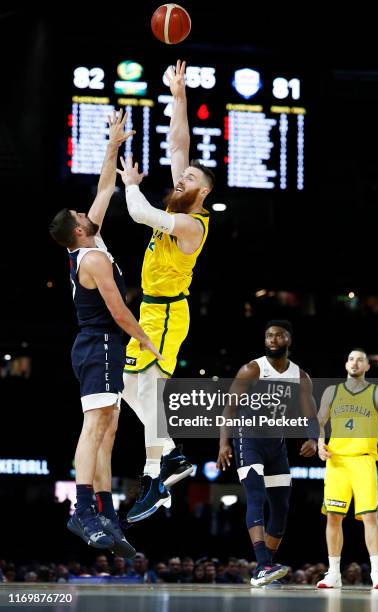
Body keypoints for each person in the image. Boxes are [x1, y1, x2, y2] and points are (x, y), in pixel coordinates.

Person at [49, 110, 161, 555]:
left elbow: (104, 188)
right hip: (99, 343)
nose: (87, 210)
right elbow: (119, 312)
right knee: (95, 424)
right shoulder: (92, 259)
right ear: (78, 229)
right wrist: (147, 339)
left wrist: (112, 144)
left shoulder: (90, 241)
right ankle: (81, 510)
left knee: (110, 427)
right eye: (81, 213)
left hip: (102, 346)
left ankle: (104, 509)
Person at [117, 60, 214, 522]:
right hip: (153, 311)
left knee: (148, 392)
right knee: (129, 386)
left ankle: (155, 475)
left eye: (192, 179)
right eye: (184, 175)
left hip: (168, 313)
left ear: (203, 195)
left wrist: (132, 187)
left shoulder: (192, 224)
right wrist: (179, 93)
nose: (183, 178)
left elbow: (141, 215)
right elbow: (179, 143)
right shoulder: (182, 196)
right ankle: (170, 457)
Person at [217, 320, 318, 587]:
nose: (272, 339)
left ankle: (266, 567)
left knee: (281, 507)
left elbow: (310, 414)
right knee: (256, 495)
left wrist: (314, 439)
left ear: (289, 340)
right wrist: (223, 444)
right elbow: (229, 408)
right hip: (248, 440)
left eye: (278, 335)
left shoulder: (300, 377)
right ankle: (262, 564)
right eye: (268, 335)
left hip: (277, 445)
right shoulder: (252, 369)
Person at [316, 348, 378, 589]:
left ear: (367, 366)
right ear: (346, 364)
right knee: (333, 517)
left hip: (363, 461)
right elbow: (319, 422)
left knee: (370, 516)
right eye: (351, 359)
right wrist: (321, 443)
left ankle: (376, 573)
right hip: (337, 462)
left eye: (360, 359)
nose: (355, 362)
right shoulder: (332, 392)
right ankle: (333, 573)